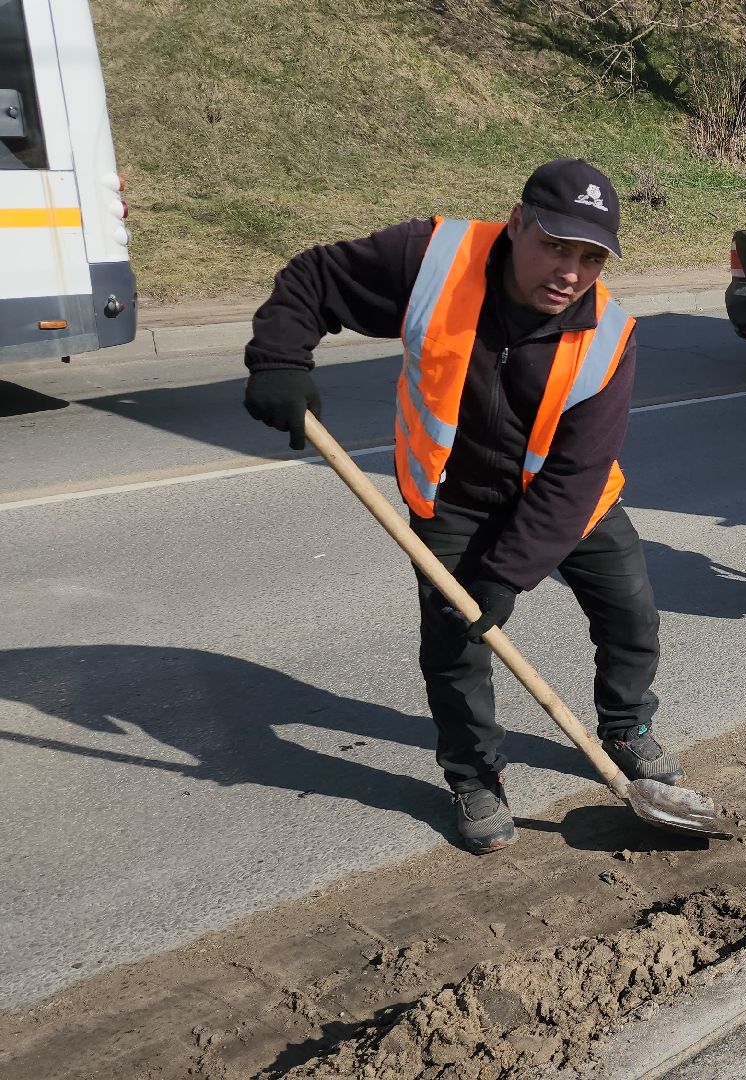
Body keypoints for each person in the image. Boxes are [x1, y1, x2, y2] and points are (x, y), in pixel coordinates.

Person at [240, 159, 682, 854]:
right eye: (555, 246)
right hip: (451, 496)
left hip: (571, 502)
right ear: (517, 223)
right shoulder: (433, 260)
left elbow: (574, 475)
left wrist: (506, 575)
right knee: (455, 648)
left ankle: (627, 728)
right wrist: (279, 360)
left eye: (592, 258)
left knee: (631, 615)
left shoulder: (609, 338)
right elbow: (314, 279)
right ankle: (475, 777)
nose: (570, 272)